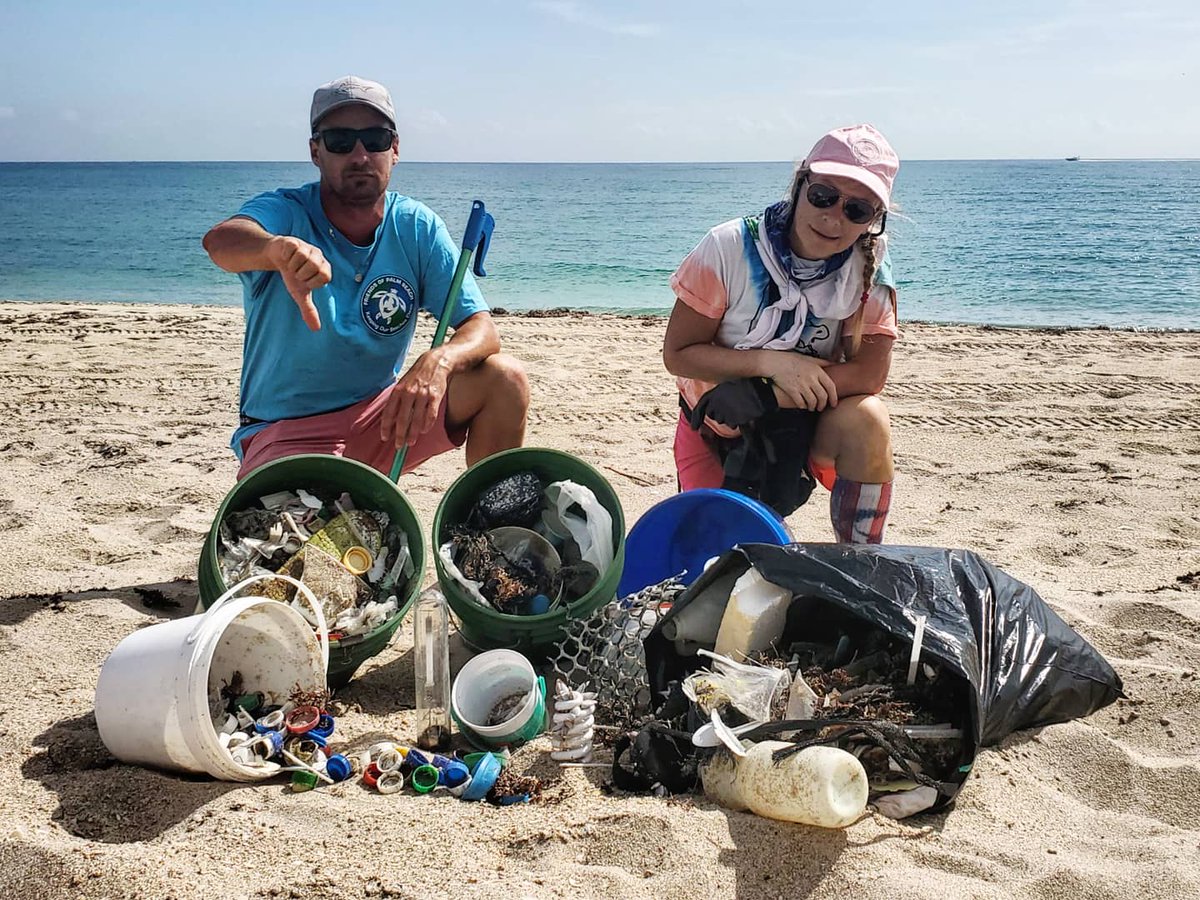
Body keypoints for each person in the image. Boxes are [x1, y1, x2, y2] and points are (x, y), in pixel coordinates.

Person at [203, 75, 528, 479]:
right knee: (310, 539)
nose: (359, 155)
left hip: (384, 418)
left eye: (374, 139)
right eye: (340, 141)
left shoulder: (415, 226)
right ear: (315, 151)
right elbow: (221, 241)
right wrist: (274, 250)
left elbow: (481, 328)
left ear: (394, 148)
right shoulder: (287, 212)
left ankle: (489, 528)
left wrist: (437, 361)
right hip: (284, 433)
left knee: (504, 379)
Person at [662, 124, 899, 543]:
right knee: (716, 556)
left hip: (804, 428)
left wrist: (766, 391)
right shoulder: (727, 247)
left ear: (873, 221)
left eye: (857, 210)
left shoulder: (870, 269)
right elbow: (679, 354)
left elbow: (869, 375)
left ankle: (863, 558)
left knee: (869, 419)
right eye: (823, 196)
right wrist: (769, 362)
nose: (833, 217)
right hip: (717, 429)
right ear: (799, 184)